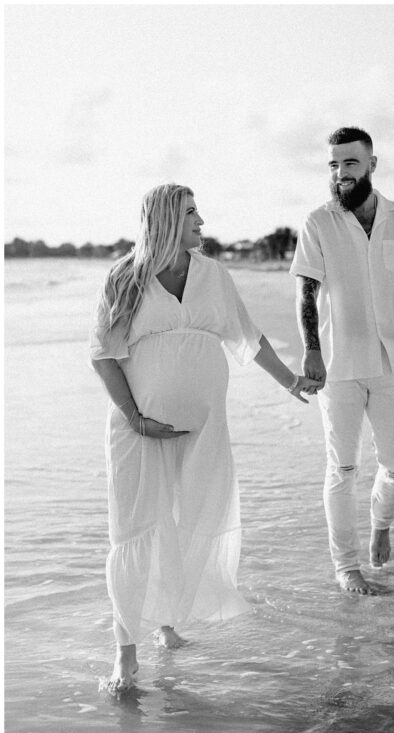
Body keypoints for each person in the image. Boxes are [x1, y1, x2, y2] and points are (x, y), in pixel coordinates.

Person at [90, 183, 319, 693]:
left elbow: (246, 337)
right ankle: (125, 652)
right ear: (168, 219)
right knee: (132, 529)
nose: (202, 220)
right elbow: (103, 355)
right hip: (137, 427)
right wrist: (135, 417)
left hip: (203, 424)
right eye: (192, 212)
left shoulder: (213, 275)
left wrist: (289, 382)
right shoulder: (125, 277)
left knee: (187, 518)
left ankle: (167, 623)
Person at [290, 126, 394, 596]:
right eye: (333, 164)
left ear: (372, 163)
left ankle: (382, 523)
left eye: (349, 163)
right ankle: (346, 567)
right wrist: (311, 348)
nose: (340, 173)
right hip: (339, 367)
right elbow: (306, 290)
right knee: (342, 470)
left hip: (393, 363)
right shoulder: (318, 222)